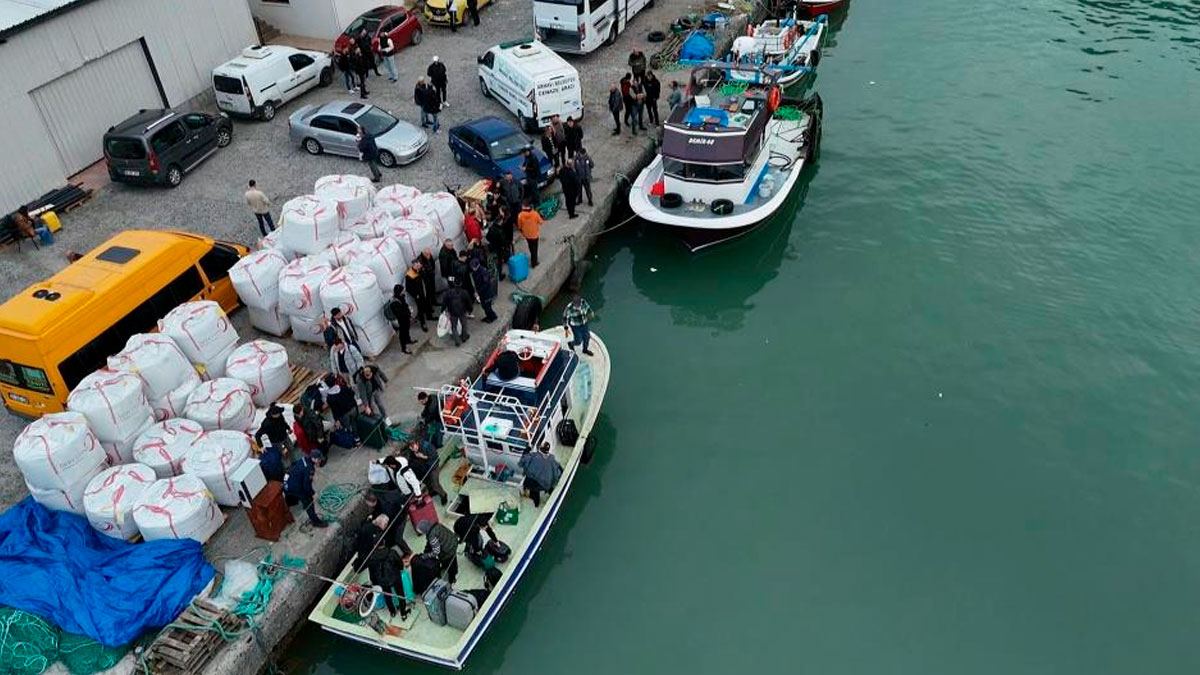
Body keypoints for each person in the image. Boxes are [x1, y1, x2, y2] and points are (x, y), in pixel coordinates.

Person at [365, 539, 410, 619]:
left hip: (382, 581)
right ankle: (403, 613)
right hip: (395, 577)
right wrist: (400, 569)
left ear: (375, 545)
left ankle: (392, 611)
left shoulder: (371, 558)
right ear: (384, 543)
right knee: (400, 595)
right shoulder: (392, 552)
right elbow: (400, 564)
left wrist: (376, 584)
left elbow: (372, 574)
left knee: (387, 596)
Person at [283, 451, 328, 527]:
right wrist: (313, 493)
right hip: (296, 487)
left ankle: (291, 502)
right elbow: (306, 486)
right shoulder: (309, 469)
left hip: (288, 483)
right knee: (308, 501)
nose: (320, 461)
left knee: (293, 495)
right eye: (319, 459)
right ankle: (316, 521)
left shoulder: (303, 459)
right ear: (314, 459)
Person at [406, 436, 448, 504]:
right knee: (427, 482)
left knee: (435, 484)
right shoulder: (412, 451)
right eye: (410, 448)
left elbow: (435, 457)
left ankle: (443, 495)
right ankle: (432, 492)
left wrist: (423, 457)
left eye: (413, 447)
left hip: (432, 467)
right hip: (423, 468)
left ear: (417, 443)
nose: (412, 449)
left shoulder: (427, 446)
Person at [519, 442, 562, 508]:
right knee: (550, 488)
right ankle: (556, 496)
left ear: (540, 448)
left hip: (536, 483)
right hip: (548, 482)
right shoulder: (551, 458)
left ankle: (536, 504)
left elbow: (523, 460)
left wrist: (527, 449)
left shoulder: (534, 456)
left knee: (534, 492)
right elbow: (558, 466)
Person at [387, 284, 416, 353]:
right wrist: (408, 314)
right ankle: (404, 348)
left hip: (406, 318)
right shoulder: (395, 303)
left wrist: (409, 313)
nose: (404, 291)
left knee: (407, 329)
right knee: (403, 333)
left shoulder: (401, 297)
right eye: (402, 291)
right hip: (402, 320)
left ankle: (408, 340)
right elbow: (400, 314)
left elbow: (405, 305)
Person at [405, 261, 434, 328]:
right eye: (417, 266)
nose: (419, 267)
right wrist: (415, 295)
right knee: (420, 309)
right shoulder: (409, 275)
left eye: (419, 265)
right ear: (413, 265)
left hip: (425, 292)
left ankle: (429, 316)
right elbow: (408, 288)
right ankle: (423, 323)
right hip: (419, 295)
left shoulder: (420, 270)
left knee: (427, 303)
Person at [443, 279, 472, 346]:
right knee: (464, 324)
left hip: (452, 312)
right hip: (462, 311)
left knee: (454, 327)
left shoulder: (449, 292)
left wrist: (443, 310)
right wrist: (470, 310)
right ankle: (464, 337)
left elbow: (445, 302)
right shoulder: (464, 292)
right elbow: (469, 303)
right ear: (461, 284)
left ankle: (457, 341)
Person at [470, 257, 499, 323]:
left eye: (474, 267)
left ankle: (492, 317)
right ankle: (488, 316)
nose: (473, 268)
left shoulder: (483, 272)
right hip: (482, 293)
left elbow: (485, 285)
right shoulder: (475, 272)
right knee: (484, 306)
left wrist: (478, 292)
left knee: (487, 307)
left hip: (487, 293)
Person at [517, 202, 543, 267]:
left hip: (527, 234)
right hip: (535, 233)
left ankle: (533, 260)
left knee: (531, 247)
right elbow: (541, 222)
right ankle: (534, 261)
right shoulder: (535, 214)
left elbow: (519, 226)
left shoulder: (520, 215)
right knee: (535, 247)